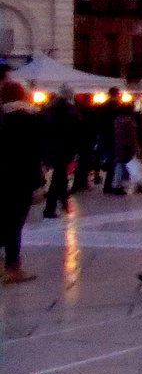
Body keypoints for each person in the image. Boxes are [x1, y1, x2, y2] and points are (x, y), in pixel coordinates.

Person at [0, 79, 43, 284]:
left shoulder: (2, 117)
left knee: (5, 223)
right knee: (14, 224)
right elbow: (32, 154)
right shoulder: (28, 119)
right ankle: (13, 268)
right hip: (20, 179)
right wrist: (38, 183)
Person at [42, 87, 80, 218]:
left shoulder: (48, 110)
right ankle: (50, 208)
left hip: (51, 147)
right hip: (65, 148)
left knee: (61, 175)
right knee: (58, 177)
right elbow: (75, 131)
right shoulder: (70, 112)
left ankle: (64, 202)